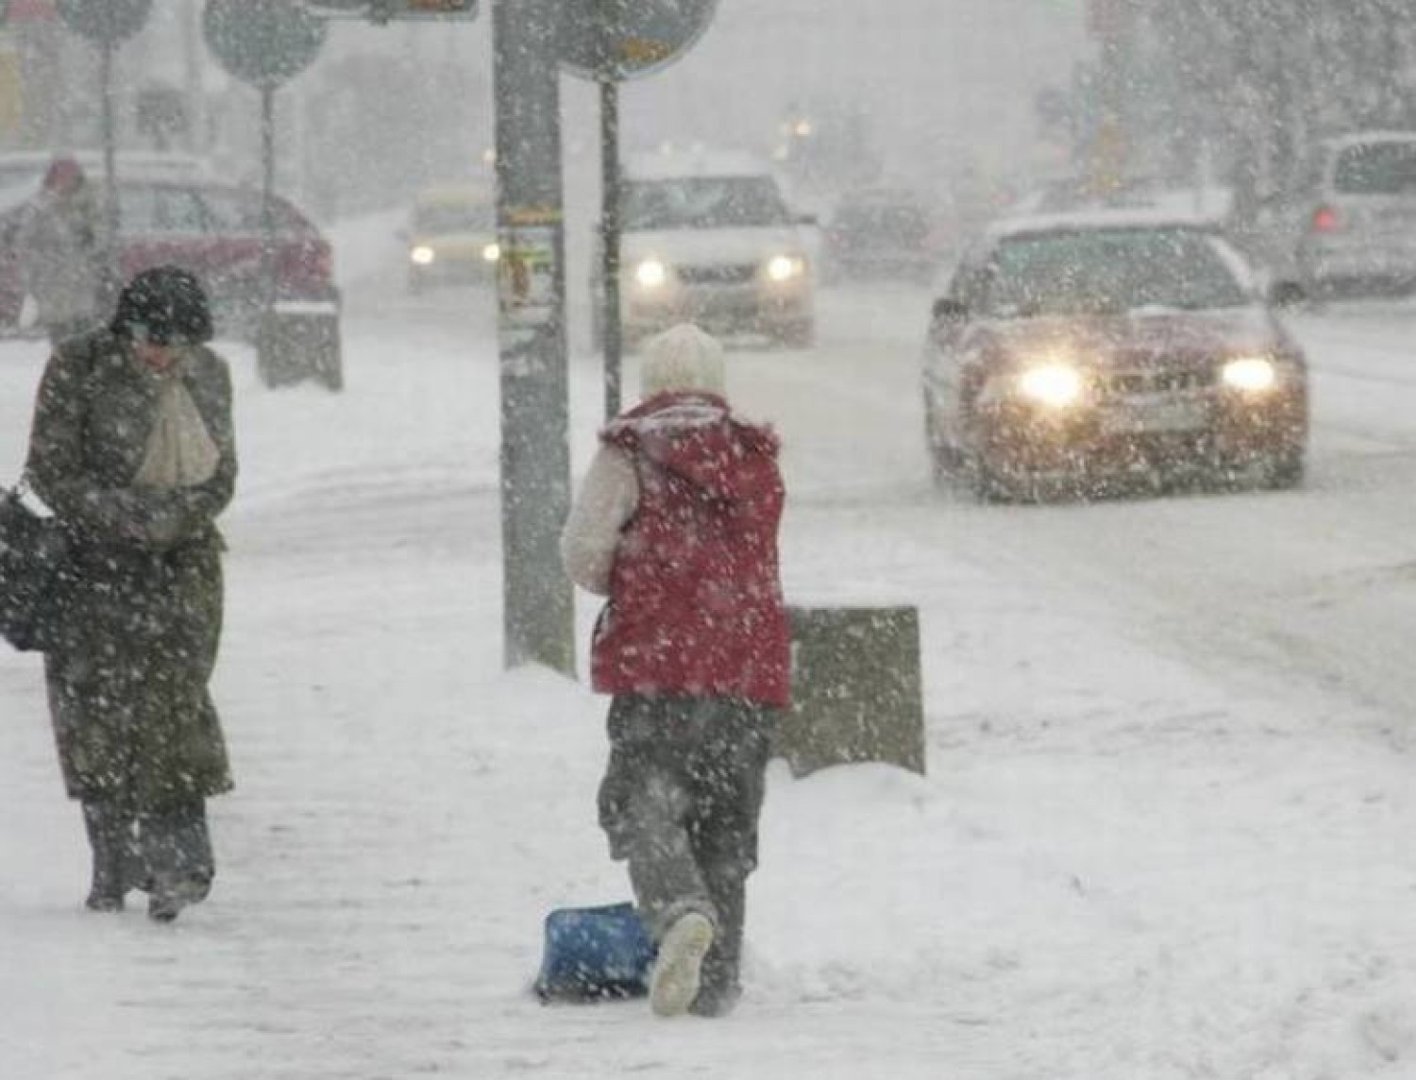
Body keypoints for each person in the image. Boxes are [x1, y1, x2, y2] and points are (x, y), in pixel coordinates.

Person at [560, 323, 791, 1017]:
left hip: (658, 667)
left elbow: (581, 552)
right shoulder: (756, 452)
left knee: (641, 804)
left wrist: (627, 581)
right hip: (748, 665)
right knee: (726, 820)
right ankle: (716, 981)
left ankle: (679, 911)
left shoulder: (630, 450)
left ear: (650, 382)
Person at [24, 265, 238, 922]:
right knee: (97, 712)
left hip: (181, 569)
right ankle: (113, 858)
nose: (161, 353)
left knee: (176, 705)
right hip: (94, 570)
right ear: (125, 328)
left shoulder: (207, 375)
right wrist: (119, 516)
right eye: (149, 337)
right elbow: (50, 468)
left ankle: (178, 858)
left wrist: (174, 520)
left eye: (176, 342)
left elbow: (220, 474)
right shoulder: (79, 366)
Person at [16, 156, 111, 345]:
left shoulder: (88, 204)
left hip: (81, 282)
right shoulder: (40, 206)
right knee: (59, 333)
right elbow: (27, 241)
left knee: (82, 332)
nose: (63, 181)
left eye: (69, 176)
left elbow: (100, 239)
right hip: (53, 284)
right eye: (60, 176)